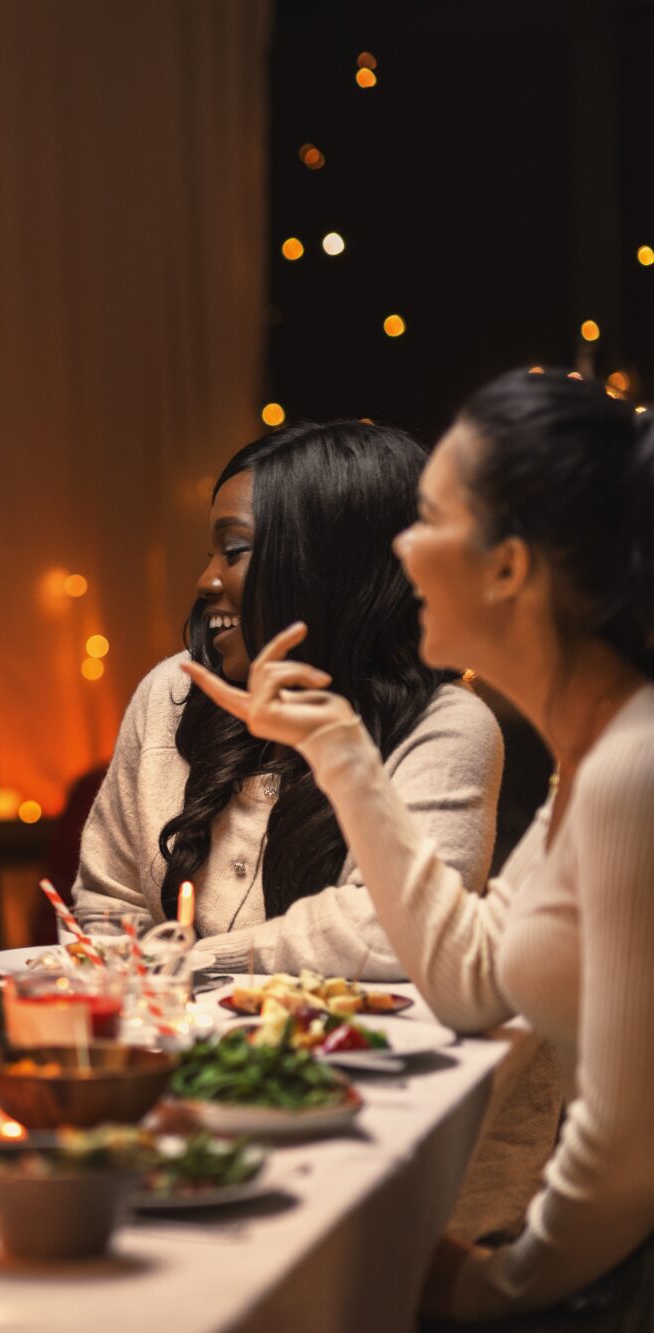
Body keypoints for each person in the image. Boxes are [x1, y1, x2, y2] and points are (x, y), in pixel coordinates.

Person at [187, 369, 654, 1324]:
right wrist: (342, 749)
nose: (398, 549)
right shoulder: (590, 762)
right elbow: (472, 977)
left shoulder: (630, 772)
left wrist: (493, 1284)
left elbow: (625, 1150)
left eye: (429, 520)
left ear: (508, 567)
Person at [73, 421, 503, 976]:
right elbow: (108, 904)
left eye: (234, 549)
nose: (205, 581)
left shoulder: (445, 727)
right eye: (210, 553)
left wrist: (188, 962)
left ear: (329, 568)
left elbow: (392, 933)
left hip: (362, 1059)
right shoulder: (175, 691)